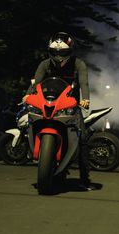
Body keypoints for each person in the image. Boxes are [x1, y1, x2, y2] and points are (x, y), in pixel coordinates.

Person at [23, 32, 94, 190]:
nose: (58, 56)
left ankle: (84, 179)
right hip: (47, 104)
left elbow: (84, 83)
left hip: (70, 106)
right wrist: (27, 95)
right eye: (55, 52)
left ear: (70, 51)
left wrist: (86, 99)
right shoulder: (44, 64)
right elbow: (36, 82)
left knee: (83, 138)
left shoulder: (79, 64)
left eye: (62, 52)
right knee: (25, 122)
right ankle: (28, 151)